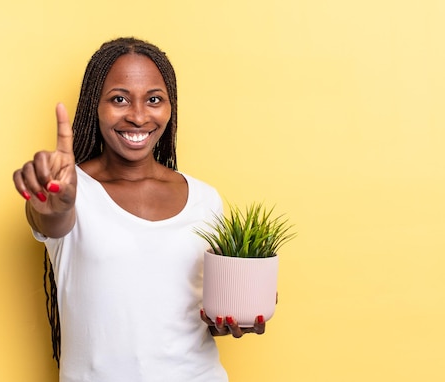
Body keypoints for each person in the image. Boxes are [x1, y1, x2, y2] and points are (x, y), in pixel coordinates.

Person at [13, 37, 266, 382]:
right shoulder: (72, 191)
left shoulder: (205, 199)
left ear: (170, 106)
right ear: (94, 107)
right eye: (119, 99)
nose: (138, 116)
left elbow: (198, 315)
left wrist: (230, 318)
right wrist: (54, 204)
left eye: (154, 100)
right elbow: (52, 220)